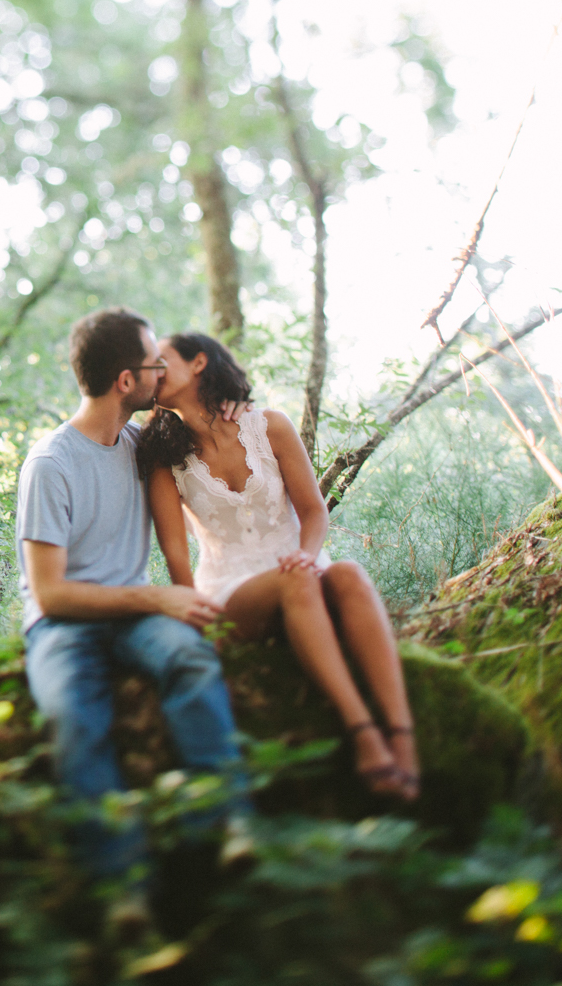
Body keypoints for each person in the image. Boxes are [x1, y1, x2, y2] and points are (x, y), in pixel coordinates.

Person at [15, 307, 247, 897]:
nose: (159, 375)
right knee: (72, 717)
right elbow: (51, 593)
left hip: (134, 617)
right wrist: (156, 596)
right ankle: (121, 889)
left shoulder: (142, 443)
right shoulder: (50, 464)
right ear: (126, 382)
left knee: (190, 660)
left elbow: (214, 436)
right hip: (64, 624)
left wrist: (232, 409)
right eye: (152, 365)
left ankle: (223, 821)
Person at [137, 331, 420, 800]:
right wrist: (195, 629)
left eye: (162, 361)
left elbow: (313, 511)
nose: (155, 374)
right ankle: (363, 732)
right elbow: (174, 553)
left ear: (200, 362)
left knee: (347, 573)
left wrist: (307, 557)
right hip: (231, 588)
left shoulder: (269, 426)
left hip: (298, 563)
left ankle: (403, 735)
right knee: (297, 583)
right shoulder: (164, 457)